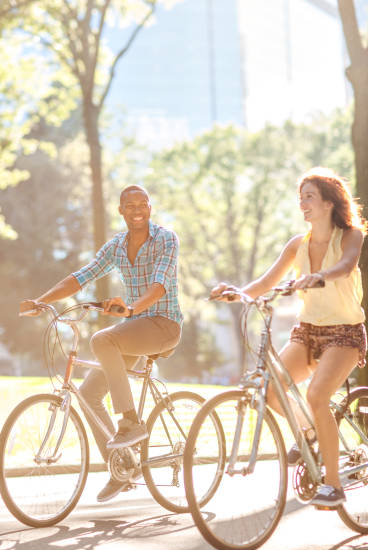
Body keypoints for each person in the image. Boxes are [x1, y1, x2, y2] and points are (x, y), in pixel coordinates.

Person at [210, 167, 367, 508]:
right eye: (301, 198)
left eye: (309, 196)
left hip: (344, 333)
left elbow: (345, 265)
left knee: (316, 395)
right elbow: (265, 283)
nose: (303, 204)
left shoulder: (350, 235)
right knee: (270, 388)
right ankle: (309, 434)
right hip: (308, 331)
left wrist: (319, 276)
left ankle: (334, 485)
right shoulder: (298, 245)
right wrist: (236, 293)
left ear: (328, 202)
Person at [20, 185, 183, 502]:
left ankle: (130, 422)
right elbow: (81, 276)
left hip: (164, 324)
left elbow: (161, 284)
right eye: (129, 205)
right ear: (120, 211)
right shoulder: (117, 247)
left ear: (150, 208)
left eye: (142, 204)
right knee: (88, 394)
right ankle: (123, 466)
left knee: (102, 339)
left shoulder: (166, 239)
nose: (137, 209)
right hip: (135, 326)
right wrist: (40, 301)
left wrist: (134, 308)